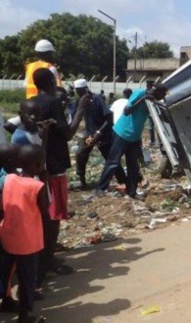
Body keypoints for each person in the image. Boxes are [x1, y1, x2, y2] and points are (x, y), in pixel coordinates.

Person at [33, 68, 85, 288]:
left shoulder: (32, 102)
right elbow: (67, 133)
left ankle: (43, 258)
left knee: (44, 214)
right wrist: (81, 109)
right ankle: (48, 260)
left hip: (39, 163)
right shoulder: (53, 103)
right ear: (53, 82)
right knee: (54, 216)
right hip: (55, 165)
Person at [0, 145, 49, 323]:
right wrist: (44, 179)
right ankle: (24, 316)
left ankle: (5, 301)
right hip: (28, 243)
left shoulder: (9, 179)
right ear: (38, 165)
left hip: (7, 236)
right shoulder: (37, 186)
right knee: (27, 280)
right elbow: (45, 208)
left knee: (5, 274)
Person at [96, 83, 168, 199]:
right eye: (162, 95)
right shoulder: (140, 93)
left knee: (133, 166)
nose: (162, 97)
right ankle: (100, 188)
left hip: (135, 137)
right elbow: (127, 110)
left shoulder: (153, 101)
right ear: (156, 92)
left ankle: (131, 192)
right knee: (113, 162)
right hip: (122, 133)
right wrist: (143, 99)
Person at [73, 79, 126, 189]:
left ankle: (123, 180)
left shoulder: (97, 99)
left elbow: (109, 118)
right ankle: (83, 182)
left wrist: (99, 132)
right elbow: (74, 115)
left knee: (110, 158)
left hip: (103, 133)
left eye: (81, 91)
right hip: (89, 133)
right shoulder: (80, 101)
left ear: (86, 89)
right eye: (78, 92)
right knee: (80, 154)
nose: (80, 94)